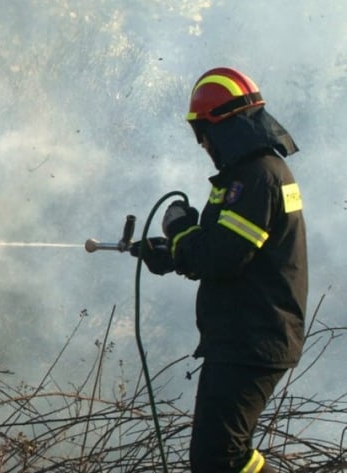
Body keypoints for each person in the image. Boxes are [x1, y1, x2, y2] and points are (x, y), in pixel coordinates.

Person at [131, 67, 307, 473]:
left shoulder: (257, 177)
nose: (203, 144)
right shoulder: (249, 177)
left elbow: (220, 258)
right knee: (225, 455)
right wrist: (171, 251)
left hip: (252, 340)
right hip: (244, 337)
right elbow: (218, 250)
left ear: (224, 126)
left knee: (218, 458)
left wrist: (178, 228)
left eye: (203, 133)